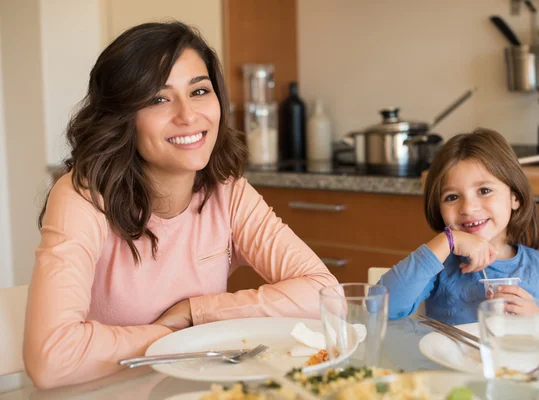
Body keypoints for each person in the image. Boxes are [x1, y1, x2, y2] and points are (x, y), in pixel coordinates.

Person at [23, 21, 338, 389]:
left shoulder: (228, 192)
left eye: (200, 91)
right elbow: (51, 358)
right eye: (158, 98)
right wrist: (170, 336)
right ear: (122, 117)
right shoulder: (82, 198)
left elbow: (327, 296)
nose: (188, 115)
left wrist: (196, 314)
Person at [380, 128, 539, 325]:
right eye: (452, 197)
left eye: (484, 190)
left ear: (515, 197)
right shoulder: (440, 266)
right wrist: (447, 240)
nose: (468, 208)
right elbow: (379, 308)